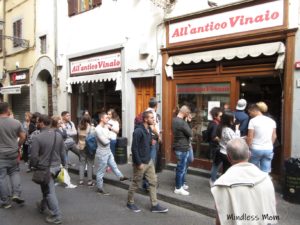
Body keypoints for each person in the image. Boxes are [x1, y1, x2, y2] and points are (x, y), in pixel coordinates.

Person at [211, 138, 278, 225]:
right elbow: (272, 205)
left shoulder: (221, 184)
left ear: (228, 157)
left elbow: (220, 218)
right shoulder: (266, 178)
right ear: (249, 154)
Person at [127, 111, 168, 213]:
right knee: (135, 183)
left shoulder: (149, 129)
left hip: (149, 161)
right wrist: (138, 162)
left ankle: (154, 205)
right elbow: (134, 148)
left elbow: (148, 142)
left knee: (153, 182)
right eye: (152, 118)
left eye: (153, 118)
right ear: (145, 119)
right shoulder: (138, 131)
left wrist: (152, 141)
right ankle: (130, 202)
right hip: (140, 162)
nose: (154, 120)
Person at [30, 114, 66, 224]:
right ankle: (42, 206)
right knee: (46, 189)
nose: (36, 124)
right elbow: (63, 152)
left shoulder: (37, 137)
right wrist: (64, 164)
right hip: (57, 167)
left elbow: (34, 156)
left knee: (50, 191)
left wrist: (34, 165)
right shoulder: (58, 135)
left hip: (45, 168)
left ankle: (57, 215)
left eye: (37, 122)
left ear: (41, 123)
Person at [0, 102, 26, 208]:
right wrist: (18, 145)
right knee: (14, 173)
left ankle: (5, 201)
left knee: (1, 177)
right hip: (13, 153)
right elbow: (23, 137)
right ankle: (16, 193)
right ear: (7, 110)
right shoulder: (16, 122)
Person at [95, 112, 128, 195]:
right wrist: (108, 137)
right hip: (102, 153)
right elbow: (105, 141)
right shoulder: (98, 129)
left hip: (108, 151)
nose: (108, 119)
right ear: (101, 119)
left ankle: (121, 177)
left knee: (113, 165)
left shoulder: (106, 127)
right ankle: (100, 188)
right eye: (106, 117)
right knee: (101, 171)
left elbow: (111, 136)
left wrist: (108, 136)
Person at [247, 104, 277, 173]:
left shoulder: (252, 121)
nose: (250, 114)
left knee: (252, 170)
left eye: (250, 112)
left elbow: (250, 137)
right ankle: (264, 183)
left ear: (254, 110)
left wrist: (248, 148)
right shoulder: (271, 121)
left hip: (255, 148)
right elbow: (274, 136)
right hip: (268, 149)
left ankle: (254, 183)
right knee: (265, 171)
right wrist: (269, 144)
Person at [172, 105, 192, 196]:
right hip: (183, 147)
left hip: (178, 146)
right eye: (188, 113)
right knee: (181, 168)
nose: (188, 115)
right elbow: (190, 133)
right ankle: (178, 188)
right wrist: (187, 122)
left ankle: (181, 184)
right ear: (185, 113)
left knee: (181, 167)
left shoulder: (174, 120)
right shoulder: (183, 123)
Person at [143, 97, 161, 190]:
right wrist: (159, 135)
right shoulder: (151, 113)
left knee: (148, 159)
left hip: (149, 138)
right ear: (156, 105)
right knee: (151, 161)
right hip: (152, 139)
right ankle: (148, 184)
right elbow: (153, 127)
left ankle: (146, 182)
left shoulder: (146, 111)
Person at [77, 114, 95, 186]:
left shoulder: (79, 126)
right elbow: (93, 136)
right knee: (90, 163)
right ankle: (89, 181)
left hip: (81, 145)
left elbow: (78, 134)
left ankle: (81, 180)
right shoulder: (90, 127)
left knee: (82, 163)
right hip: (88, 146)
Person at [208, 107, 223, 185]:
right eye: (220, 116)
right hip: (216, 147)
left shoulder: (213, 122)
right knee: (216, 164)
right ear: (215, 116)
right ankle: (212, 180)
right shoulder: (215, 124)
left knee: (217, 164)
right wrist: (223, 141)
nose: (221, 118)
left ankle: (213, 179)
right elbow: (214, 137)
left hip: (214, 146)